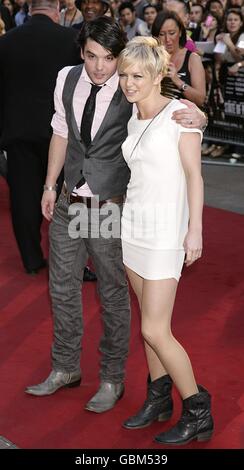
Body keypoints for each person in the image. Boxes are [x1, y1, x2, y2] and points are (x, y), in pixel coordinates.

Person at [25, 17, 207, 414]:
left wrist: (202, 119)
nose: (100, 67)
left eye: (109, 58)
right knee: (62, 289)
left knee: (111, 294)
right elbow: (61, 131)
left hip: (110, 206)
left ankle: (111, 379)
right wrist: (50, 185)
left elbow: (172, 111)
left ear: (121, 58)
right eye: (91, 56)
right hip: (70, 200)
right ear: (80, 52)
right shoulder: (66, 79)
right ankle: (65, 368)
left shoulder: (133, 86)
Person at [118, 36, 214, 445]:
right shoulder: (133, 117)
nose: (128, 82)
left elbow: (195, 176)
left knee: (156, 330)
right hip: (132, 228)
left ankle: (198, 409)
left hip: (164, 235)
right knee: (147, 326)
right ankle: (159, 398)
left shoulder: (181, 115)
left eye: (137, 75)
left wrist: (195, 229)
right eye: (124, 75)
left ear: (159, 75)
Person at [0, 0, 80, 275]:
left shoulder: (7, 41)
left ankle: (32, 259)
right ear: (57, 10)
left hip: (18, 133)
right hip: (60, 134)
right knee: (65, 195)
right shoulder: (70, 40)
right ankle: (67, 259)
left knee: (23, 196)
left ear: (31, 9)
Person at [152, 11, 206, 106]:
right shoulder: (152, 57)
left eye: (172, 33)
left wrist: (177, 80)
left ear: (180, 32)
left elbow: (200, 99)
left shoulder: (192, 59)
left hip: (185, 117)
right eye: (161, 34)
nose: (167, 39)